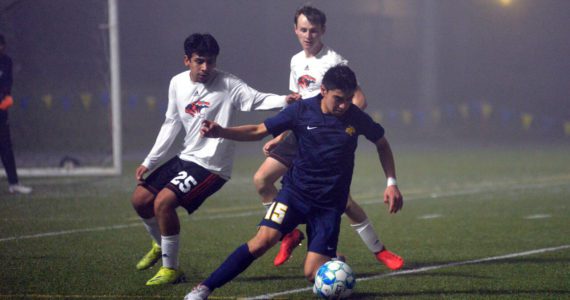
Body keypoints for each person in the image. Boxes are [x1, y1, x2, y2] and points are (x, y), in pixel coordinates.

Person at [185, 65, 403, 299]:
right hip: (294, 195)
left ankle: (334, 262)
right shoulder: (301, 111)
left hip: (329, 206)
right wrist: (222, 132)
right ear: (323, 90)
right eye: (338, 99)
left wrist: (391, 182)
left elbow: (382, 143)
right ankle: (204, 287)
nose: (344, 105)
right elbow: (259, 130)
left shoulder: (355, 118)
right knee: (262, 242)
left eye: (349, 99)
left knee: (312, 274)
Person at [130, 33, 300, 286]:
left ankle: (171, 269)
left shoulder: (228, 83)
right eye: (200, 61)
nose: (206, 67)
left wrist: (285, 100)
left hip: (211, 166)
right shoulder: (177, 83)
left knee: (163, 203)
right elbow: (171, 123)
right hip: (186, 157)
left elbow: (256, 99)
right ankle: (160, 244)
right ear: (187, 60)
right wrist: (151, 161)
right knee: (140, 200)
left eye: (211, 62)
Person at [252, 5, 402, 269]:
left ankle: (379, 250)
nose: (308, 35)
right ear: (295, 30)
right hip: (300, 133)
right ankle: (290, 234)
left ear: (323, 31)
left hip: (324, 137)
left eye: (314, 30)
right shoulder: (296, 61)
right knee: (262, 180)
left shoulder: (334, 62)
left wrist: (337, 125)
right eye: (303, 30)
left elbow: (359, 100)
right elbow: (295, 105)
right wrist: (282, 135)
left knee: (342, 202)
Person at [0, 34, 32, 194]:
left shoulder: (6, 62)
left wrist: (5, 100)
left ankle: (14, 183)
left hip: (1, 114)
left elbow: (7, 88)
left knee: (6, 148)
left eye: (1, 45)